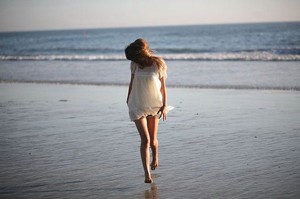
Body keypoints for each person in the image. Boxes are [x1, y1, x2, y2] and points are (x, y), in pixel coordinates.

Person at [125, 38, 172, 183]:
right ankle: (147, 174)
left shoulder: (158, 64)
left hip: (154, 104)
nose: (133, 60)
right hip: (137, 104)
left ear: (140, 53)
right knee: (145, 140)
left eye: (134, 57)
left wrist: (164, 105)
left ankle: (156, 157)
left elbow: (163, 87)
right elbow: (132, 82)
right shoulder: (134, 64)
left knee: (152, 141)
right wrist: (128, 100)